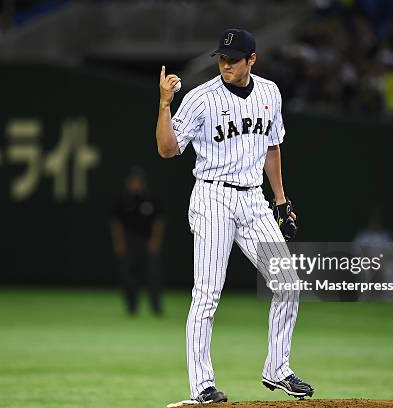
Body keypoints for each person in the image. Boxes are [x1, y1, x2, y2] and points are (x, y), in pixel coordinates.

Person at [156, 28, 314, 405]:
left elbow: (273, 146)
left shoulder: (269, 93)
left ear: (251, 60)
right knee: (207, 295)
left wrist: (280, 198)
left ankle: (277, 368)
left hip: (254, 199)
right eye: (222, 59)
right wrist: (164, 104)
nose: (225, 64)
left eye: (233, 59)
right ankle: (202, 386)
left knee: (288, 285)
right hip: (212, 196)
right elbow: (167, 149)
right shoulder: (200, 99)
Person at [110, 166, 164, 316]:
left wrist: (155, 242)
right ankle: (131, 307)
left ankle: (156, 308)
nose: (135, 184)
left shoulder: (150, 199)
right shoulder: (122, 199)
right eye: (132, 182)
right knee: (128, 276)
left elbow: (158, 223)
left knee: (153, 276)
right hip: (129, 241)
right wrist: (119, 243)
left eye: (137, 182)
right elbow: (116, 224)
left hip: (147, 241)